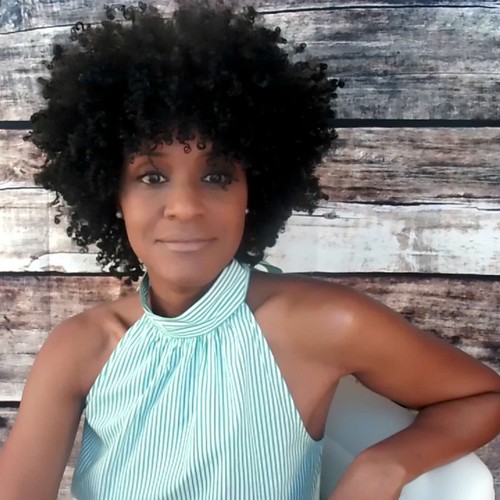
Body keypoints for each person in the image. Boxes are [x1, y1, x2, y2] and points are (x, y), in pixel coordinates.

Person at [0, 2, 499, 499]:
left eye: (217, 176)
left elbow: (485, 394)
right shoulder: (80, 346)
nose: (185, 208)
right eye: (152, 177)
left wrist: (383, 466)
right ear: (113, 195)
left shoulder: (320, 324)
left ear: (251, 193)